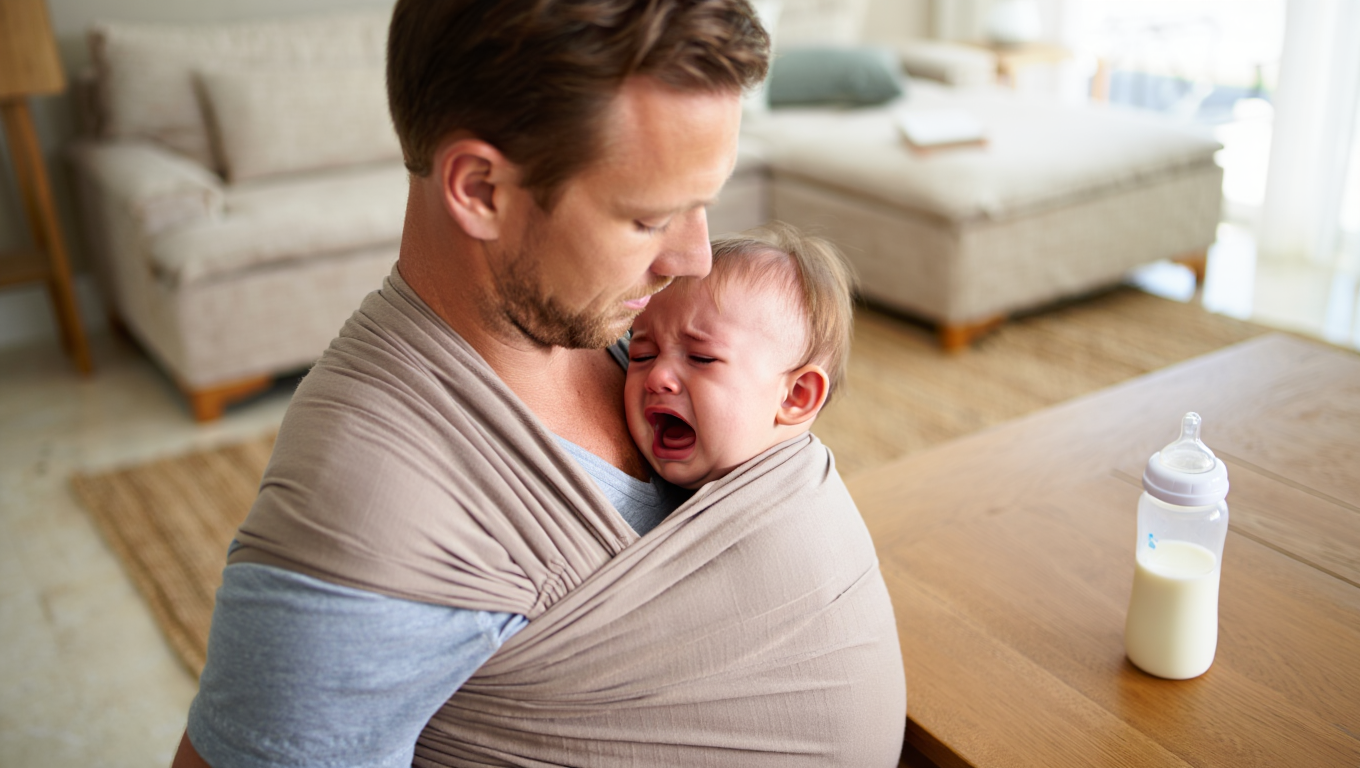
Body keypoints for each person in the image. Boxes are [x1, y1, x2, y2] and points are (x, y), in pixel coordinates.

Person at [174, 1, 904, 766]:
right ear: (481, 189)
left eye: (703, 204)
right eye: (650, 219)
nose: (693, 258)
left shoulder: (612, 319)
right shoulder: (374, 502)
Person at [625, 223, 853, 491]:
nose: (657, 376)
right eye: (643, 355)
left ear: (795, 396)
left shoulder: (786, 513)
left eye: (701, 358)